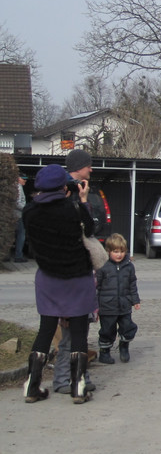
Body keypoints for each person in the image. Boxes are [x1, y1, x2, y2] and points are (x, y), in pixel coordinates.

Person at [21, 163, 98, 404]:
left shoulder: (29, 212)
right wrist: (83, 200)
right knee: (79, 331)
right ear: (63, 186)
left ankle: (32, 386)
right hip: (77, 277)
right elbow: (91, 230)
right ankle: (78, 388)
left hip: (48, 277)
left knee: (45, 330)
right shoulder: (73, 209)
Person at [52, 148, 102, 395]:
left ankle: (77, 376)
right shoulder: (65, 193)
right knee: (71, 332)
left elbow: (91, 227)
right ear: (79, 166)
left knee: (79, 331)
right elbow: (86, 229)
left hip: (80, 271)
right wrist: (82, 203)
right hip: (69, 271)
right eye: (88, 165)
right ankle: (65, 379)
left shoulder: (79, 190)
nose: (91, 169)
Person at [95, 233, 140, 364]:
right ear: (109, 251)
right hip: (107, 306)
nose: (119, 255)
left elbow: (132, 284)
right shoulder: (103, 267)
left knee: (128, 327)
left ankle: (124, 346)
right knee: (107, 330)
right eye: (115, 252)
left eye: (122, 251)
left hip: (124, 305)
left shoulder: (129, 266)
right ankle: (104, 352)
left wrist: (135, 300)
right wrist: (95, 305)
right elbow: (97, 287)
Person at [11, 173, 27, 262]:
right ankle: (18, 256)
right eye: (23, 178)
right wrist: (25, 208)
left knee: (11, 234)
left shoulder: (12, 187)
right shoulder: (18, 188)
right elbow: (17, 203)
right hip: (18, 214)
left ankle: (6, 255)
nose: (25, 180)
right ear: (18, 179)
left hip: (13, 214)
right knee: (21, 235)